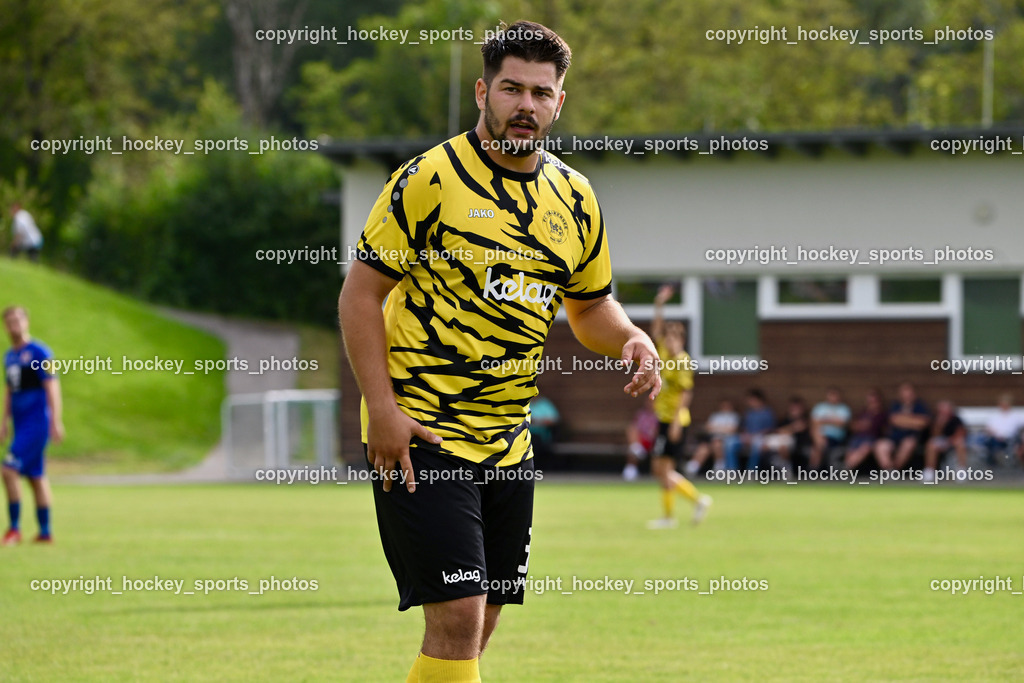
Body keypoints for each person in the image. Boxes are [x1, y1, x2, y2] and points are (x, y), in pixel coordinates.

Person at [336, 21, 662, 683]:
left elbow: (590, 306)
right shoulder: (429, 178)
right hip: (423, 430)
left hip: (508, 444)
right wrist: (382, 410)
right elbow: (360, 295)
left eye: (542, 93)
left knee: (479, 623)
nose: (526, 105)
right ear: (484, 91)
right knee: (458, 612)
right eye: (512, 88)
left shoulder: (574, 197)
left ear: (559, 103)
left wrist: (631, 335)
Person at [646, 285, 711, 529]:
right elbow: (656, 329)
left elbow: (686, 393)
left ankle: (695, 502)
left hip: (675, 421)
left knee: (662, 470)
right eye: (668, 338)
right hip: (663, 418)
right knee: (661, 470)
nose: (670, 341)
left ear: (681, 340)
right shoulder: (664, 353)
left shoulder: (683, 361)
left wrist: (674, 422)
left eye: (674, 338)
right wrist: (659, 303)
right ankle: (671, 515)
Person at [2, 306, 63, 544]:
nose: (14, 323)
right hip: (20, 423)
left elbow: (52, 386)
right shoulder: (9, 356)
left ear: (26, 321)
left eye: (18, 319)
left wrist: (56, 420)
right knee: (36, 476)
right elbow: (9, 390)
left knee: (8, 470)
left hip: (37, 423)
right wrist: (3, 421)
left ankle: (14, 529)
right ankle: (45, 533)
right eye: (9, 320)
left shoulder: (41, 352)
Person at [875, 382, 930, 470]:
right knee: (880, 445)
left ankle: (895, 469)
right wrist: (913, 422)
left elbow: (923, 423)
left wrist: (903, 420)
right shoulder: (895, 405)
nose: (906, 396)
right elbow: (893, 420)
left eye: (909, 393)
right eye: (904, 393)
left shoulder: (920, 406)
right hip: (894, 438)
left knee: (908, 444)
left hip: (911, 438)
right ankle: (889, 469)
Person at [685, 398, 740, 474]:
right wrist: (722, 428)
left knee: (717, 444)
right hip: (711, 438)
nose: (725, 407)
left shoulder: (733, 416)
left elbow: (732, 430)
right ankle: (692, 468)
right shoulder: (715, 415)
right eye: (723, 406)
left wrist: (716, 428)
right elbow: (707, 427)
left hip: (726, 440)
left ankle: (719, 468)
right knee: (703, 448)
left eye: (727, 406)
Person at [724, 388, 775, 470]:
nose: (749, 402)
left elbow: (770, 429)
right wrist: (745, 435)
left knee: (757, 444)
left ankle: (751, 471)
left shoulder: (767, 412)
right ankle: (732, 470)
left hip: (760, 437)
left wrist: (754, 436)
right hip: (746, 437)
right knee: (729, 442)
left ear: (758, 400)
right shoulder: (748, 412)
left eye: (751, 400)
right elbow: (743, 427)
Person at [843, 389, 890, 470]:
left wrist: (862, 425)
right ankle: (845, 468)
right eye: (870, 402)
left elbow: (874, 427)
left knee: (865, 448)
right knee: (850, 451)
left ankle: (845, 469)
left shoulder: (882, 414)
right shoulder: (863, 412)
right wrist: (861, 425)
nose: (872, 404)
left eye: (874, 402)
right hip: (857, 438)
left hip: (871, 439)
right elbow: (853, 426)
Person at [922, 400, 968, 482]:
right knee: (931, 444)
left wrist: (950, 441)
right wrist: (939, 424)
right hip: (941, 441)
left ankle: (961, 471)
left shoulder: (956, 419)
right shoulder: (935, 419)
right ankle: (929, 471)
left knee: (960, 443)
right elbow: (934, 435)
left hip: (953, 441)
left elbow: (961, 433)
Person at [763, 396, 811, 472]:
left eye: (797, 408)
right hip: (781, 441)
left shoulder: (804, 420)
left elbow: (799, 428)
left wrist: (789, 429)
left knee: (783, 446)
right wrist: (791, 428)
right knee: (764, 445)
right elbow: (779, 431)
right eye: (793, 408)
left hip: (798, 444)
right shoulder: (785, 420)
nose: (795, 410)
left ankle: (787, 468)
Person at [809, 387, 851, 469]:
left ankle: (812, 470)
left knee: (818, 446)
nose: (833, 397)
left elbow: (841, 424)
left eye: (835, 395)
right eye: (831, 395)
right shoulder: (820, 407)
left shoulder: (844, 408)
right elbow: (814, 423)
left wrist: (823, 420)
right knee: (818, 439)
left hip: (835, 438)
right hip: (819, 436)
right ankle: (813, 469)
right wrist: (833, 421)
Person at [981, 393, 1023, 466]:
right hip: (995, 439)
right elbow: (988, 428)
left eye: (1006, 404)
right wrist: (994, 435)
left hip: (1011, 439)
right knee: (985, 442)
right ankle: (992, 462)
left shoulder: (1016, 415)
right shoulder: (995, 416)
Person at [623, 403, 658, 481]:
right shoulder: (641, 414)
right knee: (632, 430)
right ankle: (636, 448)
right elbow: (634, 427)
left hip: (654, 441)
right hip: (641, 440)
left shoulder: (660, 415)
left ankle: (636, 448)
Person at [527, 394, 560, 460]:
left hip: (541, 435)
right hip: (524, 435)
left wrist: (537, 421)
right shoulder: (524, 405)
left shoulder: (545, 404)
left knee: (535, 441)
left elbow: (554, 420)